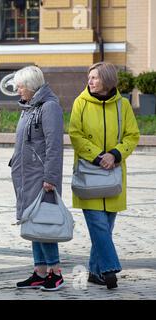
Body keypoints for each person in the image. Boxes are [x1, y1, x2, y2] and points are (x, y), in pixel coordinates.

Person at [69, 62, 140, 289]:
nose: (90, 81)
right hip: (89, 174)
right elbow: (75, 135)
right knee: (99, 226)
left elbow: (132, 135)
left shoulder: (123, 105)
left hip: (113, 175)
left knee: (105, 228)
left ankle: (94, 272)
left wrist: (116, 154)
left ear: (107, 80)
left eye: (95, 78)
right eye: (89, 77)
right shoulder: (80, 103)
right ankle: (109, 268)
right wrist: (99, 156)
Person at [10, 66, 65, 291]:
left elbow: (54, 146)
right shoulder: (29, 108)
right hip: (26, 176)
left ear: (32, 86)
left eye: (20, 86)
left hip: (42, 178)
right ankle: (40, 272)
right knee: (33, 223)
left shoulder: (49, 108)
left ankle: (56, 272)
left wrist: (50, 177)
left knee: (45, 223)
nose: (17, 90)